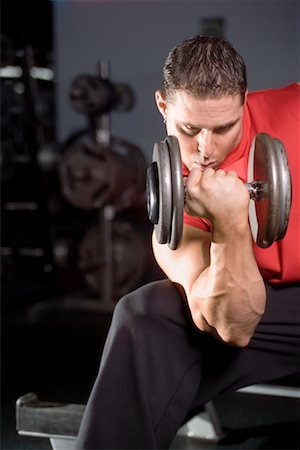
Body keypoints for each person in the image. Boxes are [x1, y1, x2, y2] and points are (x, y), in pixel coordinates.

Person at [75, 35, 300, 450]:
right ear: (163, 107)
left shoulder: (295, 111)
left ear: (244, 100)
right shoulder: (178, 199)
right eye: (189, 128)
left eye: (224, 127)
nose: (205, 149)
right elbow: (234, 328)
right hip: (273, 313)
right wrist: (229, 222)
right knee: (147, 315)